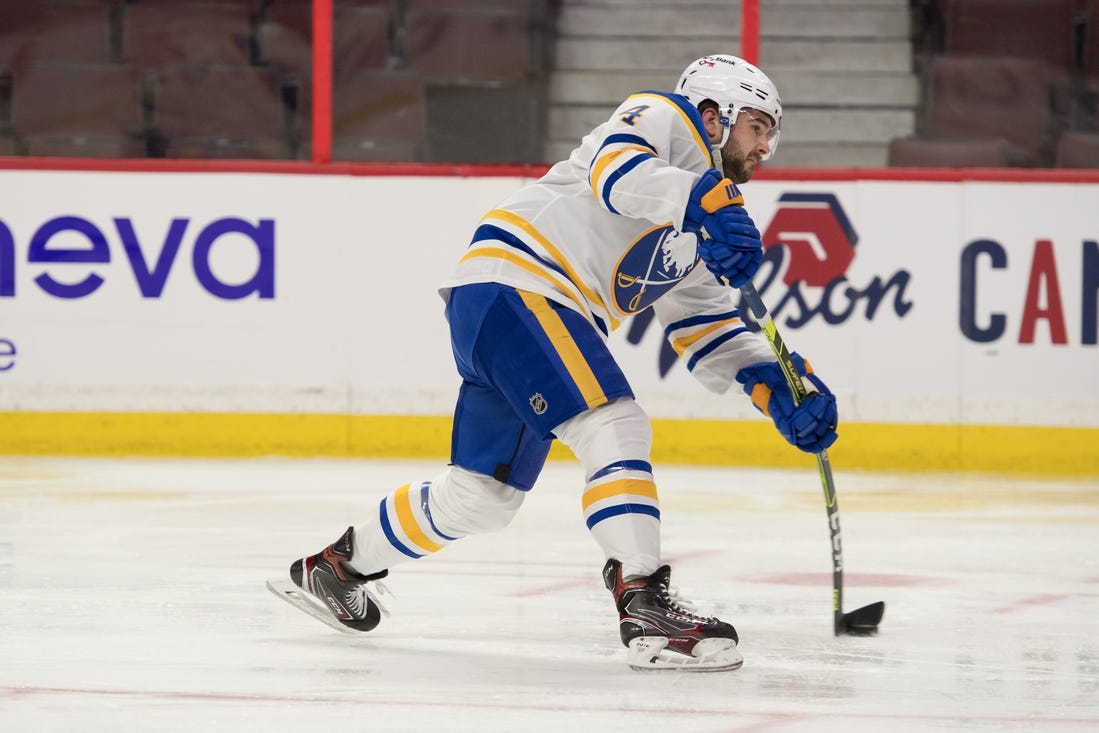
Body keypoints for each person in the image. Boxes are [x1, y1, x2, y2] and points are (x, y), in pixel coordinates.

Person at [267, 53, 838, 672]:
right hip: (524, 284)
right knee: (613, 424)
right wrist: (704, 199)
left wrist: (779, 387)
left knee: (482, 497)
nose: (766, 147)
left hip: (502, 307)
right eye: (757, 126)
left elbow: (707, 327)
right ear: (713, 113)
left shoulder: (698, 234)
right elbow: (617, 172)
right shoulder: (663, 118)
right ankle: (643, 600)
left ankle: (334, 569)